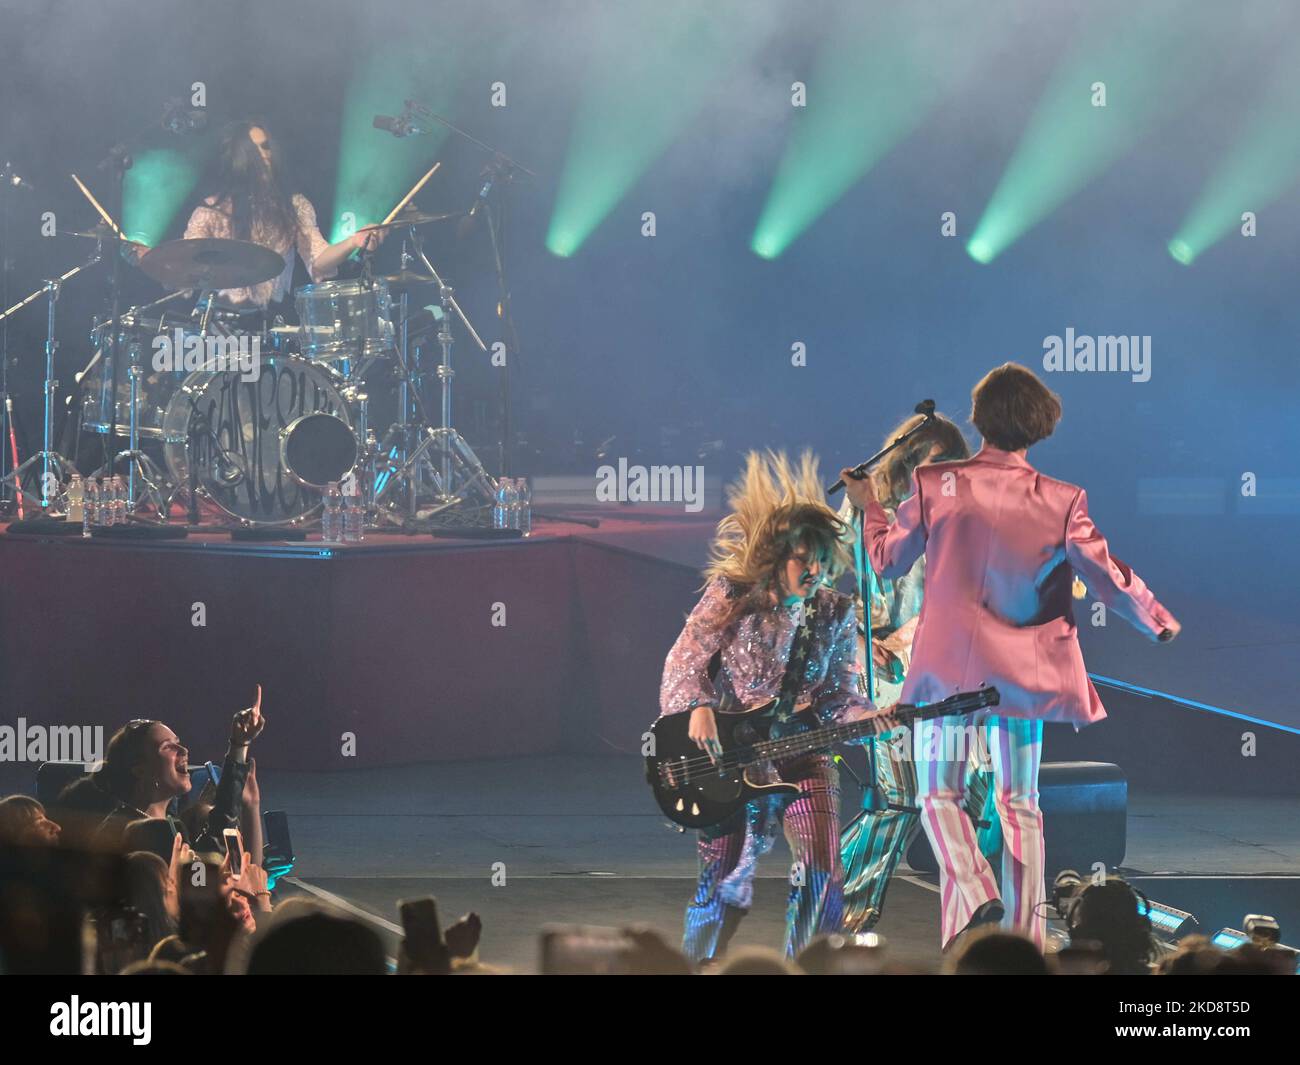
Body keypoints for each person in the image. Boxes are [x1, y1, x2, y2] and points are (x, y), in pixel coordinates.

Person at [840, 363, 1180, 951]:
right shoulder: (1061, 499)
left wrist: (869, 506)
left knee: (937, 797)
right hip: (1019, 683)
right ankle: (1019, 941)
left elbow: (886, 560)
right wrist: (1156, 620)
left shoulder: (936, 483)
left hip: (947, 677)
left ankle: (974, 899)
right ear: (1040, 426)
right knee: (1020, 803)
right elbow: (1109, 577)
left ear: (978, 419)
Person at [659, 450, 893, 963]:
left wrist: (866, 718)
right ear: (776, 556)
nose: (812, 571)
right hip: (732, 757)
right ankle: (696, 967)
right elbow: (686, 657)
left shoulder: (835, 611)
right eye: (800, 559)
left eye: (819, 561)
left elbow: (834, 696)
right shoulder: (735, 594)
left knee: (821, 871)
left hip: (803, 753)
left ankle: (808, 969)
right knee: (720, 879)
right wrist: (698, 705)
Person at [837, 411, 999, 932]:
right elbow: (820, 582)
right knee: (902, 796)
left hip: (951, 672)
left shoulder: (962, 518)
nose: (942, 478)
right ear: (906, 466)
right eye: (932, 468)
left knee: (974, 796)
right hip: (887, 678)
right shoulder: (864, 512)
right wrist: (857, 645)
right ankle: (840, 907)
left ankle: (964, 923)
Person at [180, 119, 385, 309]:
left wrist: (353, 242)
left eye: (266, 146)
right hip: (215, 322)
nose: (264, 154)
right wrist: (163, 262)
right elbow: (185, 264)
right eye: (254, 150)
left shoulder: (295, 206)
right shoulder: (211, 210)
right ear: (240, 159)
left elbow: (319, 259)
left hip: (267, 321)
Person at [54, 687, 266, 853]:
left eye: (178, 742)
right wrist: (238, 748)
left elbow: (220, 855)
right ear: (140, 769)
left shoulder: (172, 826)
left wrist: (240, 747)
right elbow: (206, 862)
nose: (183, 750)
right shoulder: (128, 833)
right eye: (167, 747)